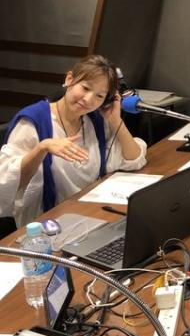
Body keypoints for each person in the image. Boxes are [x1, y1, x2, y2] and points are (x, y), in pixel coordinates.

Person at [0, 55, 147, 232]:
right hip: (48, 225)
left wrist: (116, 121)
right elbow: (9, 183)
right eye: (85, 88)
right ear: (69, 79)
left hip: (91, 215)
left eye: (99, 96)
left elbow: (134, 160)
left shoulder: (95, 120)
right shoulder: (34, 122)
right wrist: (42, 148)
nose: (88, 100)